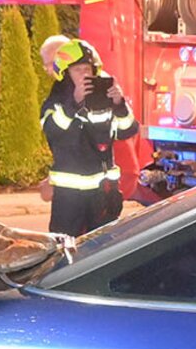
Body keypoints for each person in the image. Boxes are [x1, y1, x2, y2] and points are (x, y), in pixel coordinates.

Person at [39, 36, 138, 237]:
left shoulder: (104, 99)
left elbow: (127, 130)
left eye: (88, 69)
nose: (85, 74)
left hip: (104, 194)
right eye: (78, 70)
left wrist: (119, 104)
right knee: (65, 250)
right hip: (70, 198)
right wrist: (74, 104)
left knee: (103, 250)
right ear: (66, 73)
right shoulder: (56, 102)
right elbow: (53, 131)